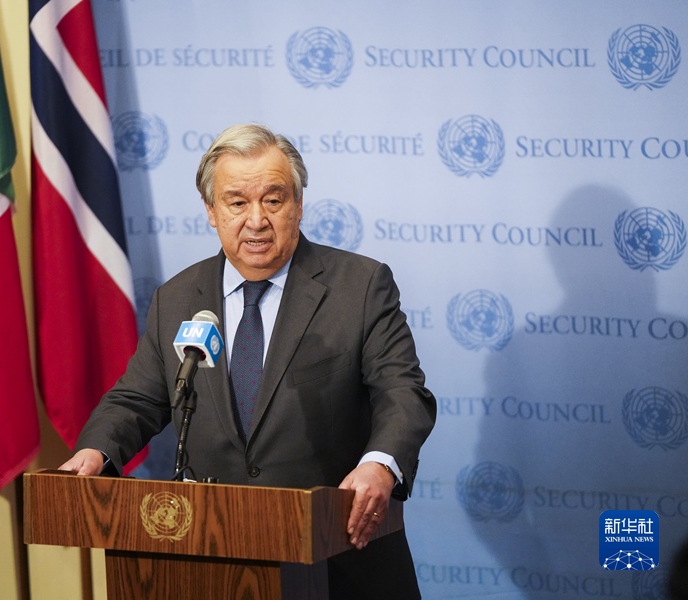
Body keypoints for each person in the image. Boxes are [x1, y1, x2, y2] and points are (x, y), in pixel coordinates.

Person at [61, 123, 437, 599]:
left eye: (273, 200)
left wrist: (379, 465)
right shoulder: (178, 298)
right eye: (237, 202)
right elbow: (137, 398)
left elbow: (403, 393)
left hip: (340, 556)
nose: (256, 220)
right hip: (214, 559)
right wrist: (97, 450)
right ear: (211, 211)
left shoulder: (359, 287)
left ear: (298, 205)